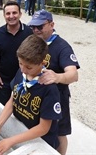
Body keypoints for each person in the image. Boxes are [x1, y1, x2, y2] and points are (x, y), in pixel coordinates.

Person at [0, 35, 62, 154]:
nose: (23, 69)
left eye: (29, 67)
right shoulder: (21, 73)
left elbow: (43, 127)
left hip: (40, 142)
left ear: (42, 63)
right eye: (20, 63)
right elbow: (12, 100)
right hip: (23, 132)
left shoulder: (49, 89)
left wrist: (11, 141)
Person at [28, 9, 80, 155]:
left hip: (58, 98)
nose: (36, 30)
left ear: (52, 25)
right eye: (33, 27)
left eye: (40, 27)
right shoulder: (34, 42)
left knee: (59, 133)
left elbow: (73, 74)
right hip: (37, 97)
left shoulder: (62, 46)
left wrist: (57, 77)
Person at [0, 1, 33, 105]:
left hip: (25, 80)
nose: (11, 16)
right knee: (3, 108)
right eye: (8, 13)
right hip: (3, 80)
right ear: (4, 15)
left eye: (14, 13)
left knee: (22, 111)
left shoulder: (29, 32)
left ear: (20, 14)